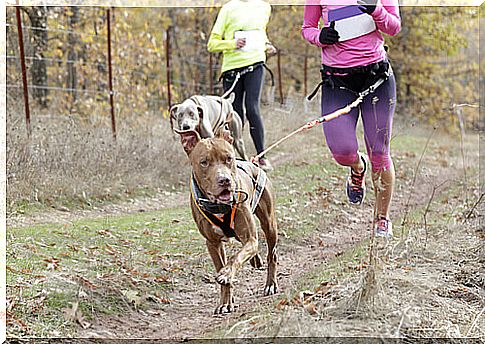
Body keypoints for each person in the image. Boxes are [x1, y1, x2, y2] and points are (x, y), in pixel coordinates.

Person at [302, 0, 401, 237]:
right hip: (337, 80)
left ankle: (382, 219)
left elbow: (394, 27)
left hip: (376, 76)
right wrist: (319, 36)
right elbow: (307, 27)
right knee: (342, 152)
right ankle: (358, 167)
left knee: (379, 151)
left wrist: (375, 9)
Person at [207, 0, 277, 171]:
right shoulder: (228, 8)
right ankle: (233, 158)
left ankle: (261, 157)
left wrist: (266, 44)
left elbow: (260, 33)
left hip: (256, 64)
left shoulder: (264, 7)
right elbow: (212, 44)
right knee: (234, 114)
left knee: (252, 107)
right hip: (232, 68)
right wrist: (232, 44)